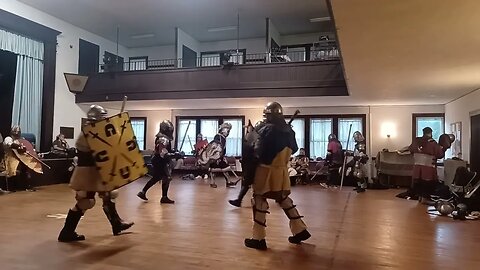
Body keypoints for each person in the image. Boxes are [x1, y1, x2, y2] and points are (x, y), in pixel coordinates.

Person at [58, 105, 134, 242]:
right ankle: (66, 232)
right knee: (86, 202)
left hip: (97, 172)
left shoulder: (94, 132)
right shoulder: (88, 134)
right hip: (87, 174)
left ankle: (116, 224)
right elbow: (103, 150)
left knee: (109, 195)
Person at [244, 102, 310, 250]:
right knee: (283, 198)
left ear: (268, 115)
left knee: (259, 199)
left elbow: (257, 151)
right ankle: (300, 229)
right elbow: (293, 149)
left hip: (265, 170)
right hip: (281, 170)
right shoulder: (289, 130)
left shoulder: (266, 129)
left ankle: (258, 238)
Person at [137, 120, 183, 204]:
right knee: (166, 177)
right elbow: (163, 154)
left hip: (158, 159)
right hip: (159, 160)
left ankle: (143, 192)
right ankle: (163, 197)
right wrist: (175, 155)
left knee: (157, 177)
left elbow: (165, 150)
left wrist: (174, 151)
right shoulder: (163, 139)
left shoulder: (162, 138)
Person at [228, 120, 263, 207]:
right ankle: (240, 200)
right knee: (247, 183)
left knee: (249, 183)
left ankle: (240, 201)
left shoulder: (258, 138)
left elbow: (257, 152)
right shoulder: (255, 137)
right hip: (250, 163)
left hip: (254, 164)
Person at [408, 127, 446, 202]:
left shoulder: (416, 141)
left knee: (418, 182)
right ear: (430, 133)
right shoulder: (432, 142)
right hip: (428, 167)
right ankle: (425, 198)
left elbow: (410, 149)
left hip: (417, 167)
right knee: (427, 183)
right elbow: (440, 154)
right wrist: (443, 148)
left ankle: (420, 197)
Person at [2, 126, 36, 192]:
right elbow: (10, 144)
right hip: (8, 158)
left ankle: (25, 186)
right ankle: (10, 188)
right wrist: (19, 146)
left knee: (25, 166)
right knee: (12, 168)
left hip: (19, 158)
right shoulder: (8, 138)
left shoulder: (20, 140)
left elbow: (25, 148)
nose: (17, 133)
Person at [208, 122, 238, 188]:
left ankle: (228, 182)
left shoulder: (223, 138)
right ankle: (213, 182)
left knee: (225, 168)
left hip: (220, 156)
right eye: (228, 131)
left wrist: (223, 156)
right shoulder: (218, 137)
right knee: (214, 169)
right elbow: (216, 147)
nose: (228, 133)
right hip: (216, 157)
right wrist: (217, 157)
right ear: (223, 130)